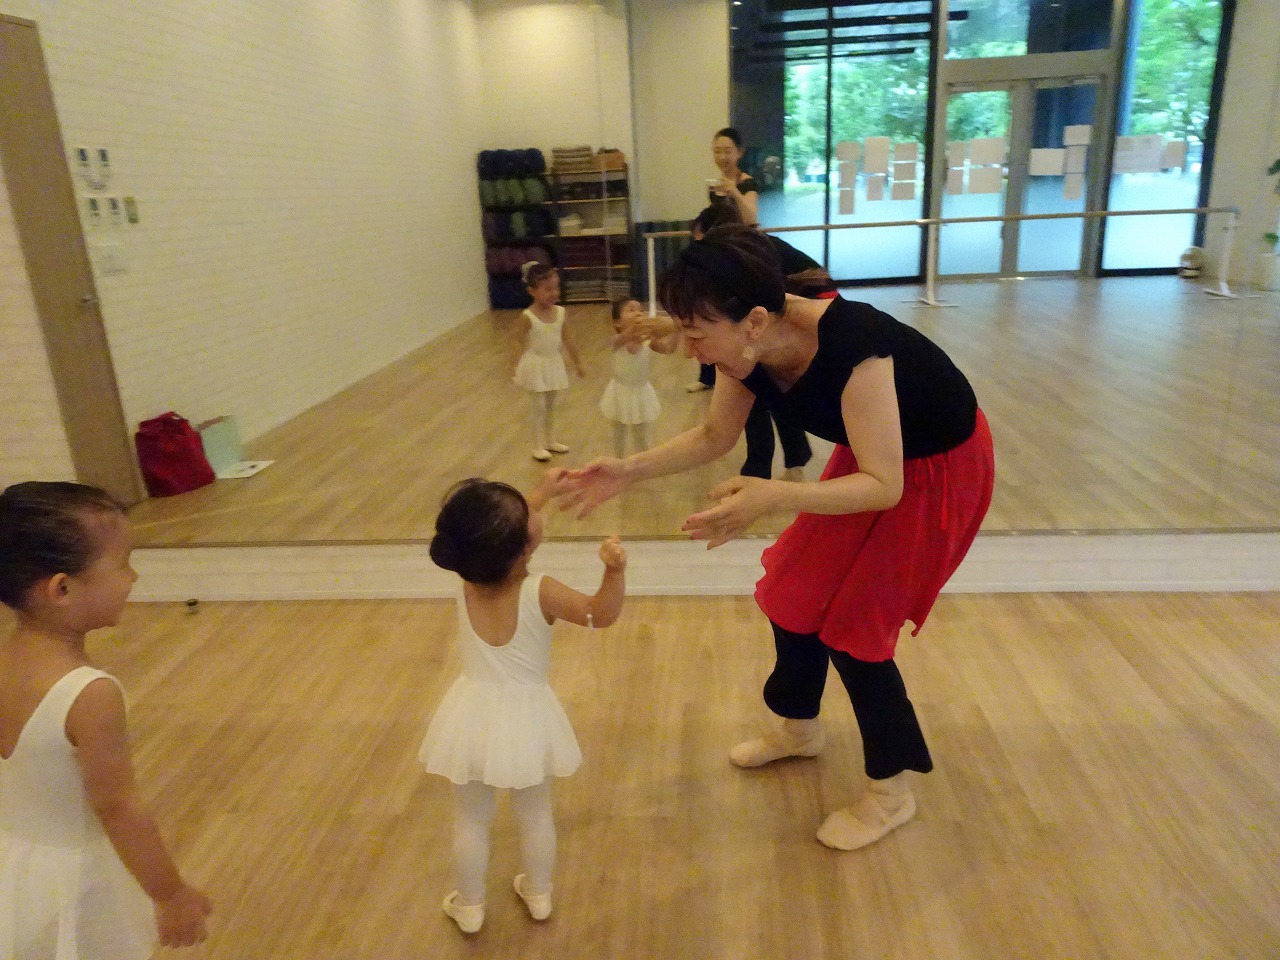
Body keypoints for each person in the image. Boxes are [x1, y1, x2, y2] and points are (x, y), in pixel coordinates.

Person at [565, 226, 995, 852]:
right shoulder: (746, 350)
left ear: (755, 322)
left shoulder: (856, 346)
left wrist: (773, 496)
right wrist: (626, 471)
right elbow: (714, 437)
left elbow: (886, 486)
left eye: (697, 334)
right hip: (875, 460)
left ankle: (890, 792)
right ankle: (799, 729)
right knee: (794, 594)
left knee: (856, 628)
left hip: (935, 469)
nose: (688, 350)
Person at [0, 481, 212, 959]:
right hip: (75, 883)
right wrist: (170, 895)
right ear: (62, 589)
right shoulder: (90, 693)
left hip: (15, 866)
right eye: (122, 564)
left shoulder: (5, 662)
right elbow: (119, 808)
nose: (133, 577)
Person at [419, 472, 627, 933]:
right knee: (535, 814)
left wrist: (545, 491)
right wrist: (614, 572)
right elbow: (602, 614)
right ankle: (538, 893)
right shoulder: (541, 590)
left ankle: (469, 905)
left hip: (471, 716)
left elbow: (499, 530)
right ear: (526, 546)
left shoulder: (468, 575)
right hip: (527, 720)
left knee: (470, 819)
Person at [691, 204, 813, 482]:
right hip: (779, 327)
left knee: (757, 397)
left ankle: (759, 472)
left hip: (790, 327)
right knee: (772, 394)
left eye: (701, 243)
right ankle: (784, 463)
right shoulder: (745, 254)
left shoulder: (749, 256)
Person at [687, 127, 760, 394]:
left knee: (738, 312)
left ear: (739, 152)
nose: (721, 156)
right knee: (708, 309)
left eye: (727, 150)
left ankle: (744, 370)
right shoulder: (715, 183)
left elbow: (751, 217)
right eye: (717, 150)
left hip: (742, 253)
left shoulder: (747, 182)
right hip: (719, 252)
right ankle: (708, 375)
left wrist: (734, 191)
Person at [513, 262, 584, 462]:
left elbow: (568, 339)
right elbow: (516, 340)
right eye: (548, 289)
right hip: (535, 365)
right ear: (532, 291)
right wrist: (514, 366)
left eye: (556, 288)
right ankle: (537, 446)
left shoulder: (560, 313)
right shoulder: (527, 316)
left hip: (553, 363)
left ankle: (550, 440)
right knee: (538, 407)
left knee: (551, 405)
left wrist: (578, 363)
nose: (554, 293)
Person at [600, 297, 678, 458]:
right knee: (618, 433)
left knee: (642, 434)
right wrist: (634, 329)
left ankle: (643, 461)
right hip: (619, 393)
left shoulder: (648, 341)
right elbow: (617, 340)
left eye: (641, 310)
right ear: (617, 323)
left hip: (641, 393)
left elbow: (668, 349)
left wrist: (676, 329)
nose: (638, 313)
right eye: (631, 310)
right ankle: (617, 461)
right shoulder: (617, 341)